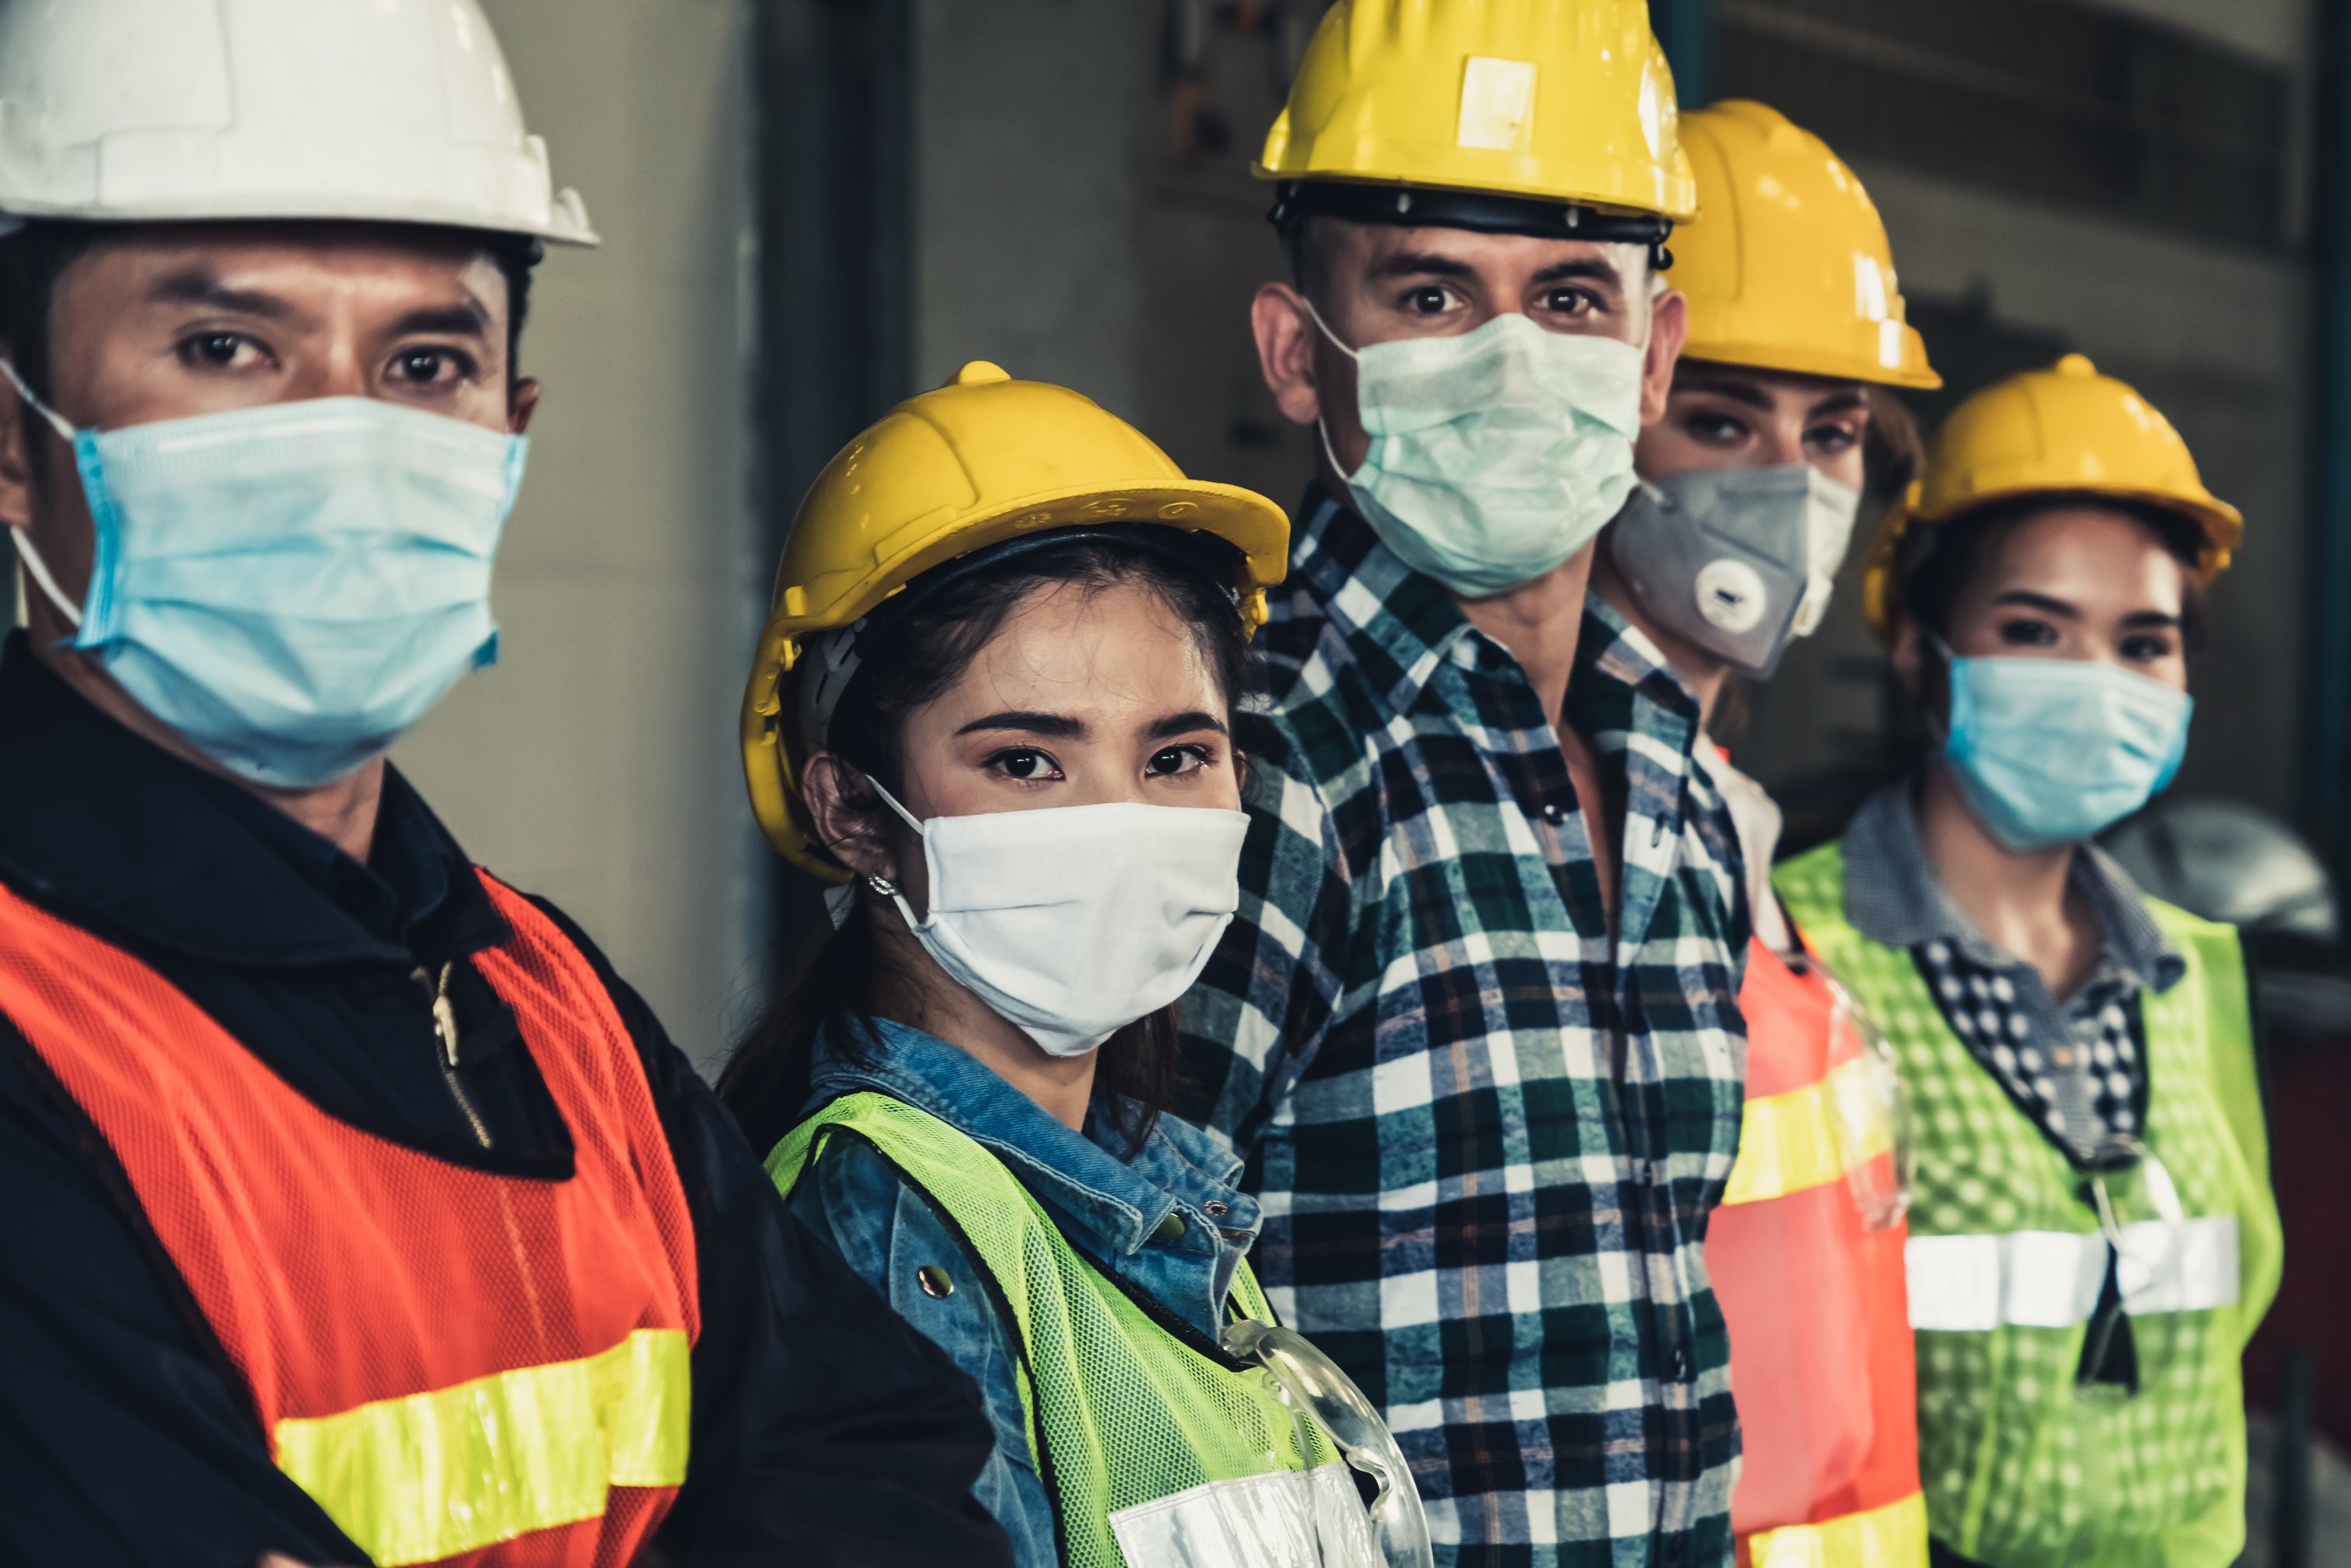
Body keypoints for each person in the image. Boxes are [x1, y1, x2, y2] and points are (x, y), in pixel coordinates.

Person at [0, 2, 1011, 1563]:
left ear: (509, 434)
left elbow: (885, 1453)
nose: (342, 438)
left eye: (423, 361)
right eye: (226, 347)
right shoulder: (35, 1023)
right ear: (15, 437)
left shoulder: (543, 993)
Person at [1176, 3, 1755, 1562]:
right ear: (1302, 353)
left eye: (1571, 294)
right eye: (1433, 292)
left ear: (1653, 354)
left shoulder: (1673, 778)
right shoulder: (1256, 766)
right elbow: (1119, 1319)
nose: (1514, 357)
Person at [724, 361, 1432, 1568]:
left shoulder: (1159, 1202)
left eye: (1174, 757)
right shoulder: (892, 1234)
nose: (1120, 821)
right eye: (1025, 762)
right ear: (851, 809)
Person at [1773, 355, 2283, 1567]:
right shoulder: (1793, 955)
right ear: (1916, 647)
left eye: (2142, 641)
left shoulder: (2195, 971)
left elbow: (2227, 1322)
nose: (2094, 682)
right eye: (2032, 629)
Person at [1588, 101, 1937, 1566]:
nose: (1789, 483)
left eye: (1836, 432)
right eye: (1722, 420)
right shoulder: (1567, 800)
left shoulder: (1724, 806)